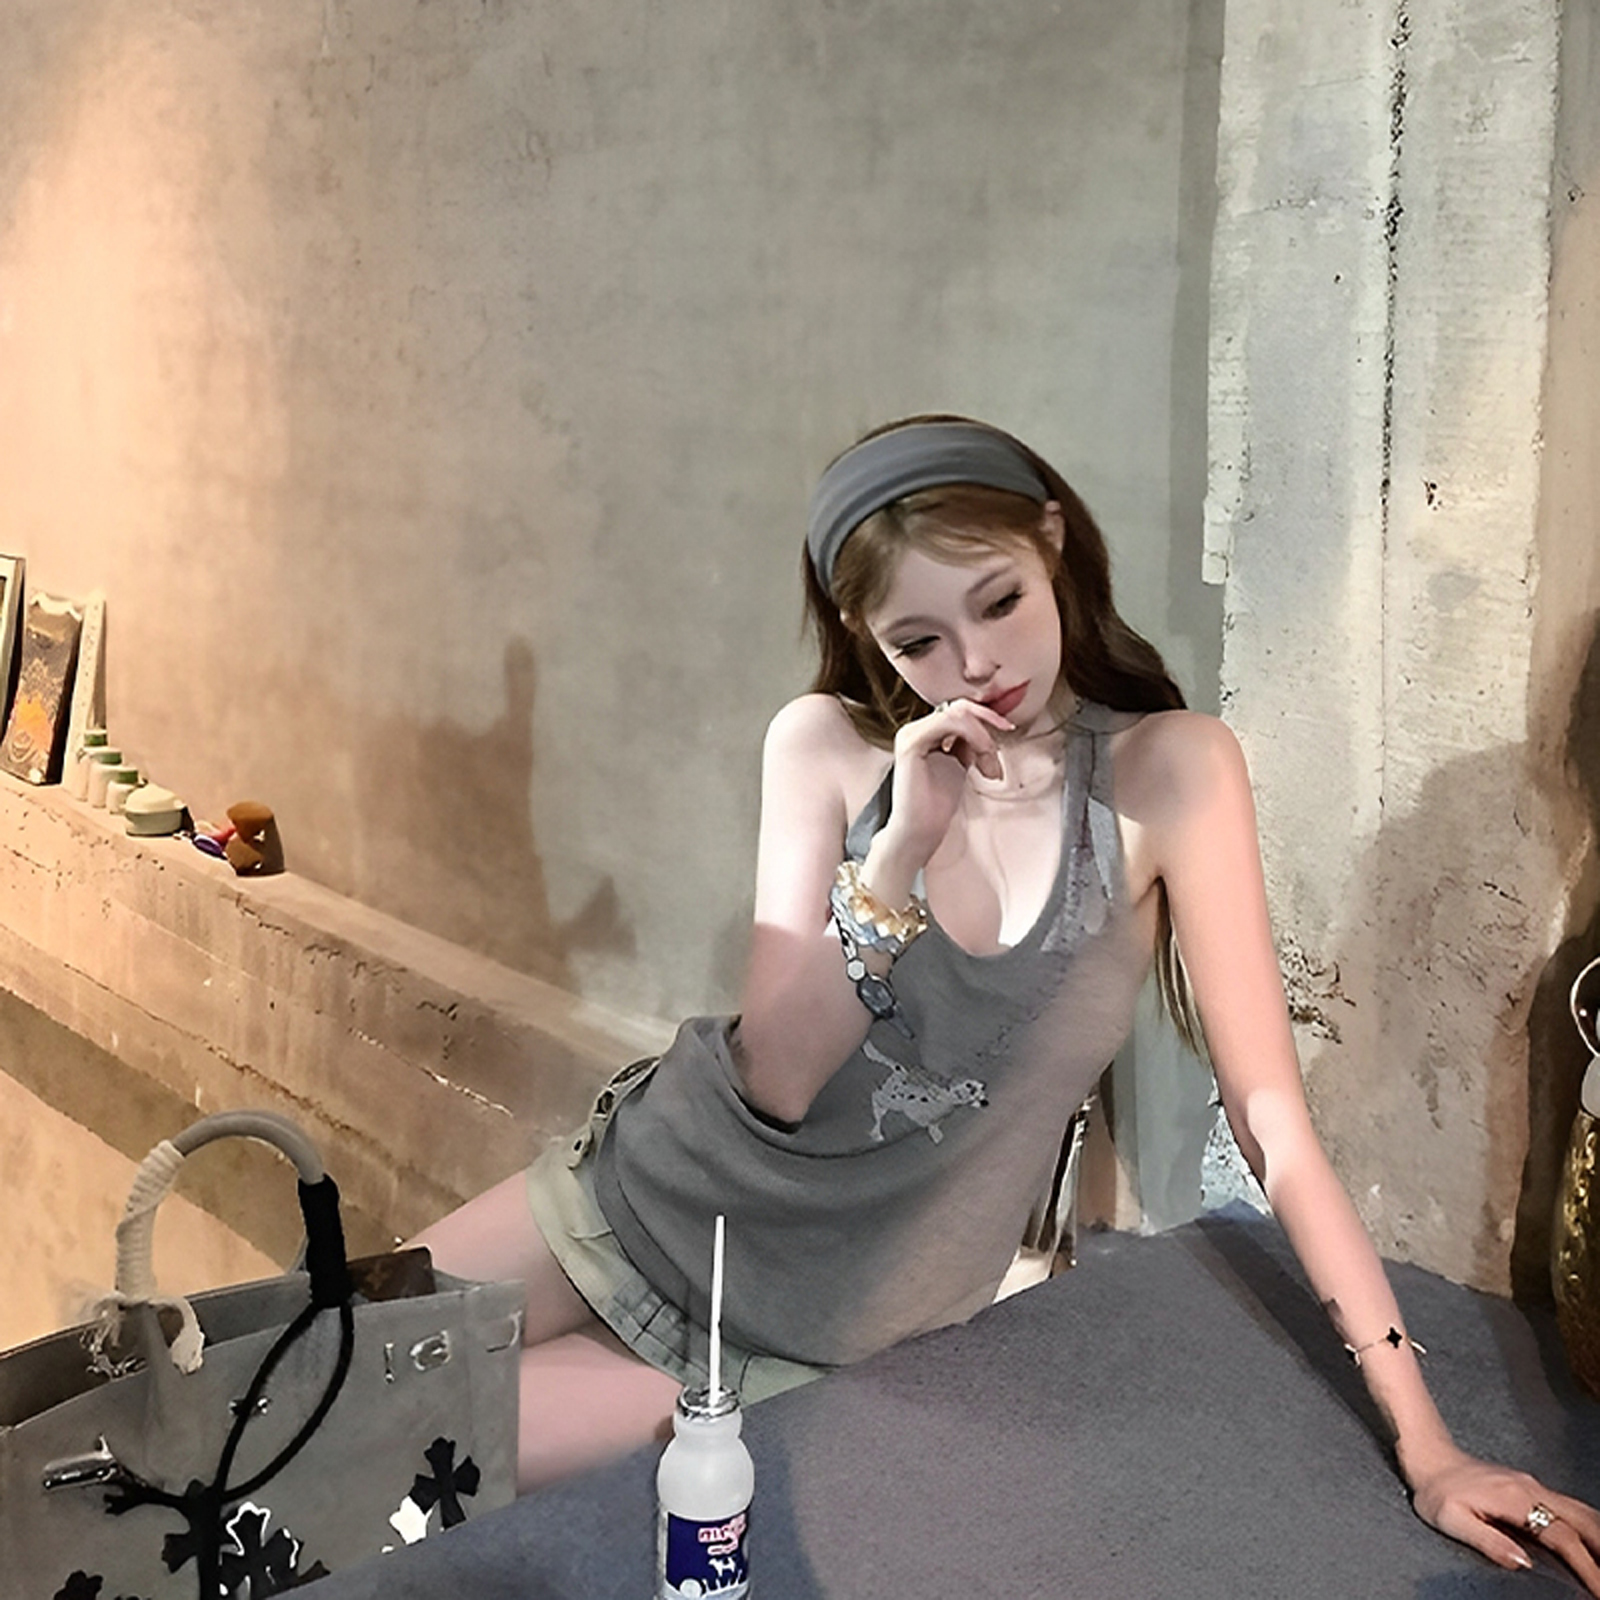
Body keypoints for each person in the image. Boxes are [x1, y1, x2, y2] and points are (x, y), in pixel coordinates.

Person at [416, 415, 1600, 1589]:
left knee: (398, 1450)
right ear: (863, 634)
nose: (975, 663)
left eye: (998, 602)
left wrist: (1429, 1445)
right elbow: (775, 1075)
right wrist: (896, 856)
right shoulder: (825, 745)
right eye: (918, 640)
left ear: (1052, 542)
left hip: (819, 1326)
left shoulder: (1169, 771)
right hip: (646, 1189)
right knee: (315, 1377)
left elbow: (1269, 1120)